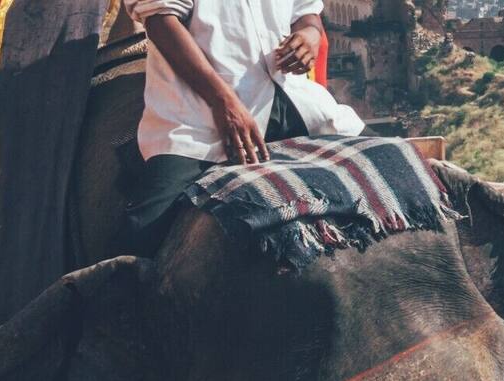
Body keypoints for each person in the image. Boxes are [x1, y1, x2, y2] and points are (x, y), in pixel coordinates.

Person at [122, 0, 364, 253]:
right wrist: (222, 102)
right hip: (199, 118)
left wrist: (310, 35)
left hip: (294, 100)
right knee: (146, 228)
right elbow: (160, 20)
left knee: (387, 158)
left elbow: (306, 12)